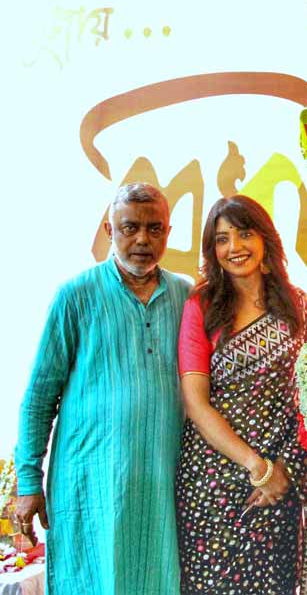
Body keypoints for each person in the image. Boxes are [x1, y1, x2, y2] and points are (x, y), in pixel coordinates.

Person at [14, 183, 191, 594]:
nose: (142, 239)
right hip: (90, 480)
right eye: (130, 228)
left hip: (162, 480)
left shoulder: (186, 296)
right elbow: (39, 398)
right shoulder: (75, 296)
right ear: (110, 231)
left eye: (154, 228)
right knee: (91, 580)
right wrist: (27, 483)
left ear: (168, 232)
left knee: (159, 579)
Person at [175, 195, 307, 595]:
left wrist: (283, 469)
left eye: (244, 234)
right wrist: (258, 467)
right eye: (222, 240)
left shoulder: (297, 306)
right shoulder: (201, 306)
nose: (234, 247)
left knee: (277, 581)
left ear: (265, 239)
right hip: (213, 481)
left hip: (284, 477)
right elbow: (195, 402)